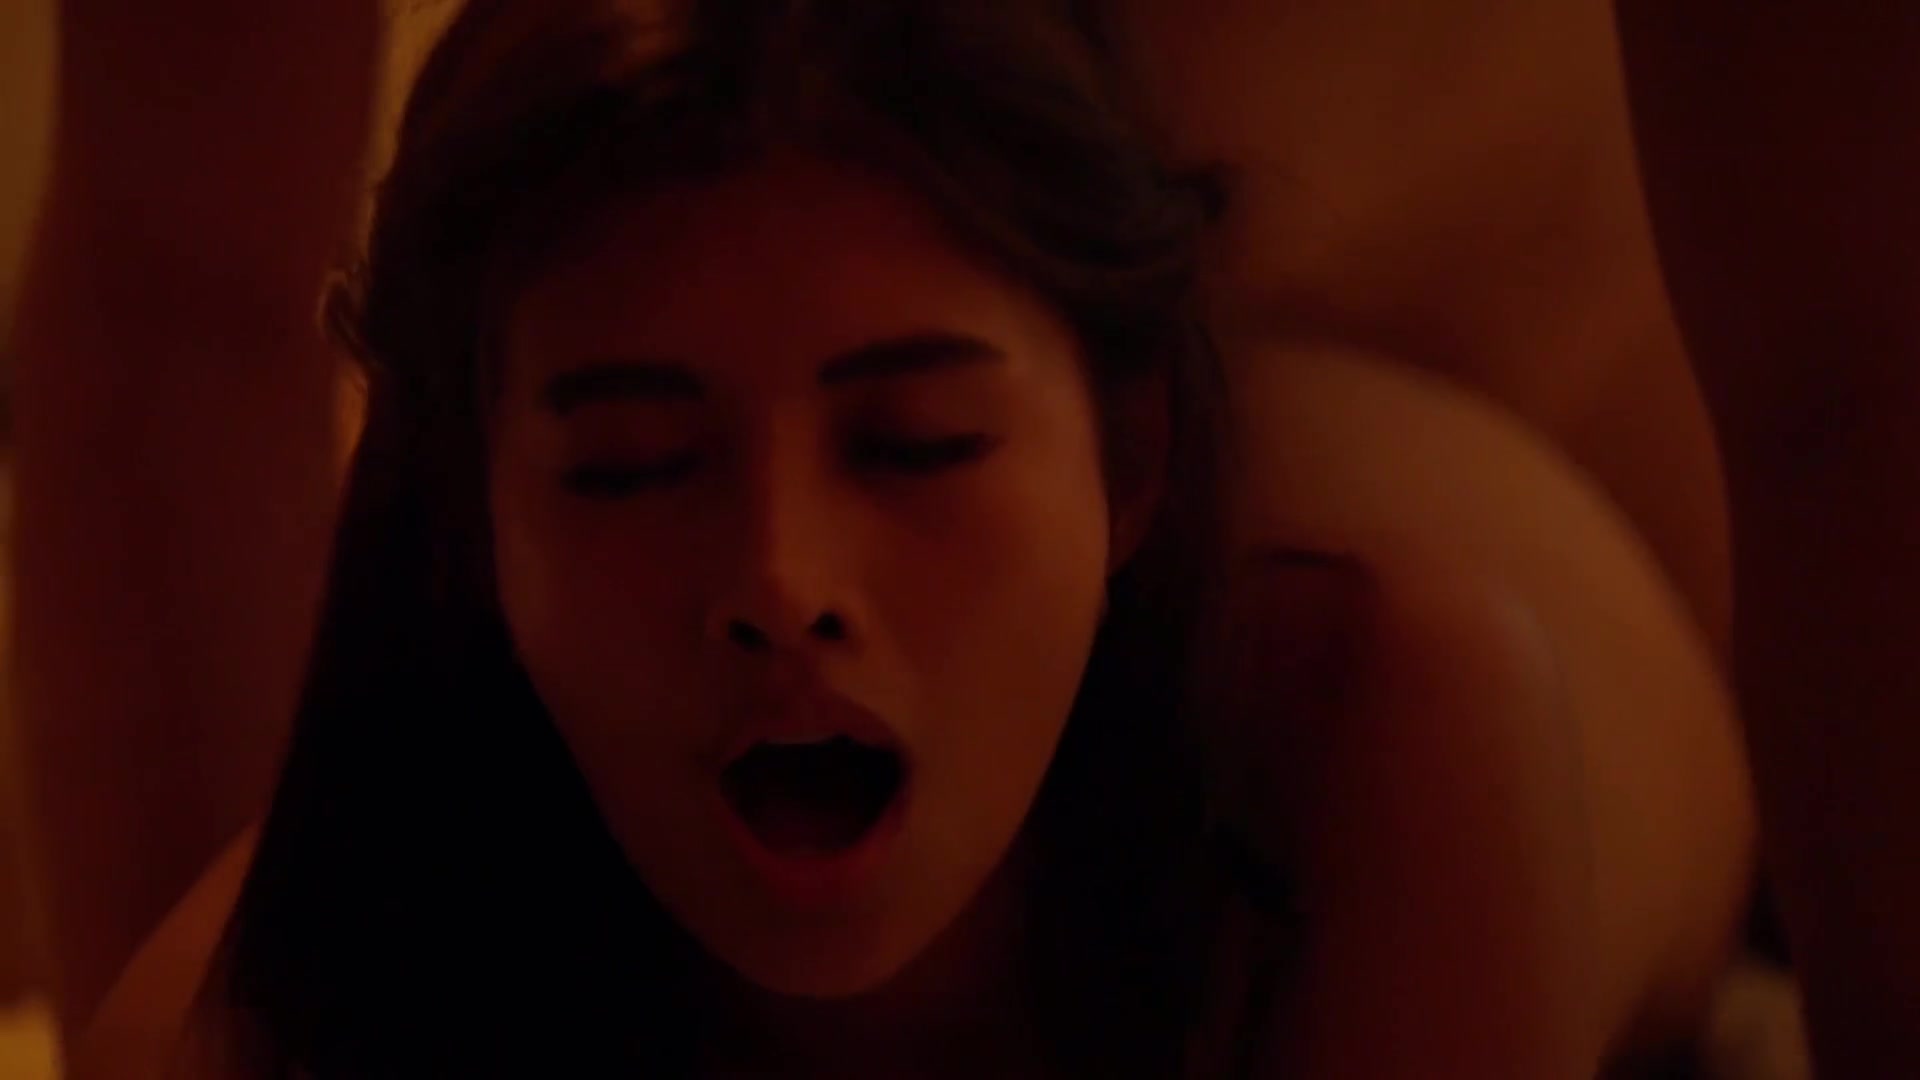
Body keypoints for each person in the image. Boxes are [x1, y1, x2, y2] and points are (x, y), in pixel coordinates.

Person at [16, 0, 1781, 1075]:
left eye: (912, 448)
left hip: (1477, 469)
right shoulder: (247, 1006)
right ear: (472, 517)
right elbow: (173, 306)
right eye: (632, 466)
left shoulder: (1366, 721)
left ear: (1140, 460)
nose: (783, 583)